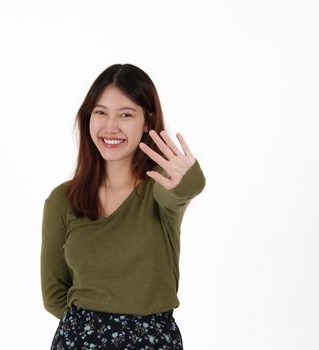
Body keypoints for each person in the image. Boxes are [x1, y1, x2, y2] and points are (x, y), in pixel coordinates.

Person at [40, 63, 205, 349]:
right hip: (78, 340)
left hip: (151, 341)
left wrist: (187, 178)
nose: (110, 126)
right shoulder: (63, 200)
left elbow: (183, 191)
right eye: (101, 112)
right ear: (88, 118)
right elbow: (54, 294)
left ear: (147, 123)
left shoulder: (160, 189)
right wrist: (90, 326)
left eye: (126, 114)